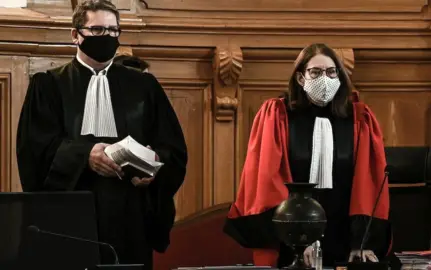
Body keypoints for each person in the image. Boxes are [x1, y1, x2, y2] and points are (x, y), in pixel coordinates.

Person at [16, 0, 187, 269]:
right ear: (75, 34)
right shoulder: (48, 85)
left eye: (113, 31)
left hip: (129, 215)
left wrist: (154, 167)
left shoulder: (144, 86)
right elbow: (35, 149)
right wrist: (86, 155)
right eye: (97, 30)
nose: (106, 37)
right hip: (70, 215)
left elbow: (173, 149)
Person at [223, 43, 391, 268]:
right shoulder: (278, 115)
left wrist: (362, 241)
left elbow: (367, 185)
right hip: (290, 242)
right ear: (301, 78)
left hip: (344, 239)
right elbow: (266, 183)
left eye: (332, 72)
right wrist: (298, 237)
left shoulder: (359, 119)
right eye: (316, 72)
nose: (325, 78)